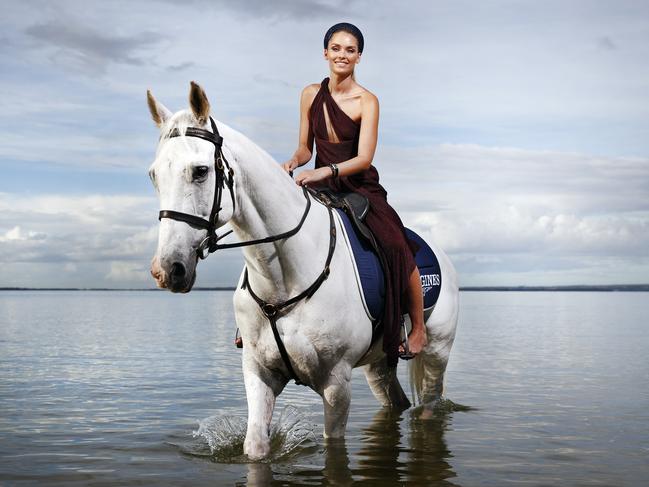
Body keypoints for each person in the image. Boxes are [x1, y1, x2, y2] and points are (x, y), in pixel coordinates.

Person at [281, 22, 427, 367]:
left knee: (396, 243)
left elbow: (364, 158)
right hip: (318, 183)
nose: (342, 55)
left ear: (359, 57)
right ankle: (257, 318)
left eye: (350, 49)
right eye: (336, 48)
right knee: (276, 230)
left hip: (359, 186)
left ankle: (418, 327)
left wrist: (323, 171)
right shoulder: (309, 93)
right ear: (325, 53)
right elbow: (304, 148)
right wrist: (293, 161)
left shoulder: (368, 100)